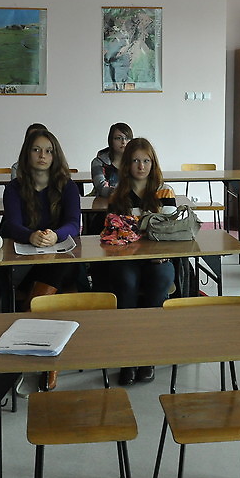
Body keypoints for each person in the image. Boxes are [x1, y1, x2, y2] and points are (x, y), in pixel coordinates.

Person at [95, 137, 177, 386]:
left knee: (161, 279)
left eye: (146, 161)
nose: (141, 166)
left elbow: (169, 232)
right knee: (125, 281)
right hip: (126, 258)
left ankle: (147, 355)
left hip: (158, 258)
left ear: (153, 163)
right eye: (135, 161)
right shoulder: (118, 195)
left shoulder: (164, 192)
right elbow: (114, 235)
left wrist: (158, 252)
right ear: (127, 165)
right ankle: (128, 357)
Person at [1, 128, 81, 301]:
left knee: (59, 265)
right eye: (36, 150)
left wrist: (55, 235)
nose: (42, 155)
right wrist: (30, 236)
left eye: (48, 151)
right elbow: (13, 225)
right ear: (27, 154)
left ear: (55, 156)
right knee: (50, 270)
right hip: (25, 259)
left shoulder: (68, 187)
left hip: (60, 255)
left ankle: (31, 308)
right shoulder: (13, 188)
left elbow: (74, 223)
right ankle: (35, 307)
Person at [91, 122, 133, 198]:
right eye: (118, 138)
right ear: (111, 141)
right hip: (105, 202)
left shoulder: (136, 161)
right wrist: (124, 194)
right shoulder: (99, 162)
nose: (123, 142)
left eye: (127, 138)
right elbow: (101, 188)